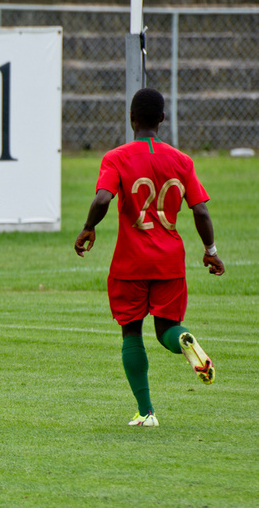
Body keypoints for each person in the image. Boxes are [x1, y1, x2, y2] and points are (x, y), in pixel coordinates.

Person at [74, 87, 224, 427]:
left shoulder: (117, 157)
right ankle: (184, 340)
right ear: (162, 118)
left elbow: (101, 200)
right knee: (167, 330)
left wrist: (88, 228)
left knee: (132, 333)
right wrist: (210, 251)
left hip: (130, 262)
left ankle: (146, 412)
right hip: (170, 261)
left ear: (131, 119)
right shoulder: (182, 160)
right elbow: (200, 210)